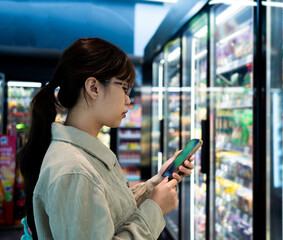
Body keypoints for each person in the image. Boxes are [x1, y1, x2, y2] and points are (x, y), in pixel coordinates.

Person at [18, 37, 195, 240]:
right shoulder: (74, 172)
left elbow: (113, 213)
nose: (128, 99)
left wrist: (157, 183)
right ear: (93, 87)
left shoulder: (82, 155)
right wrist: (155, 209)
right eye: (124, 87)